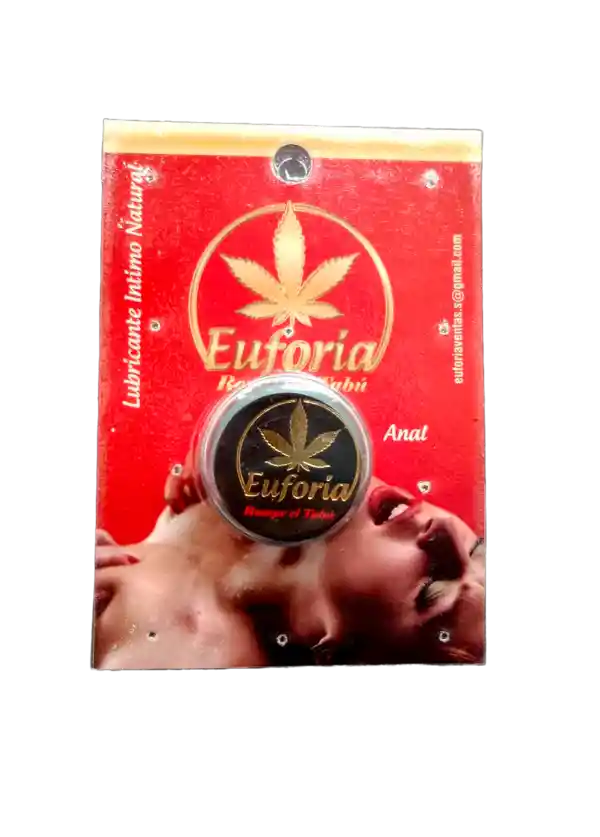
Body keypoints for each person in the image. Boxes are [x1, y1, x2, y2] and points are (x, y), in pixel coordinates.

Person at [93, 452, 485, 669]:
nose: (446, 530)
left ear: (335, 654)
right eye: (474, 549)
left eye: (433, 589)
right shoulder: (235, 494)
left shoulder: (192, 646)